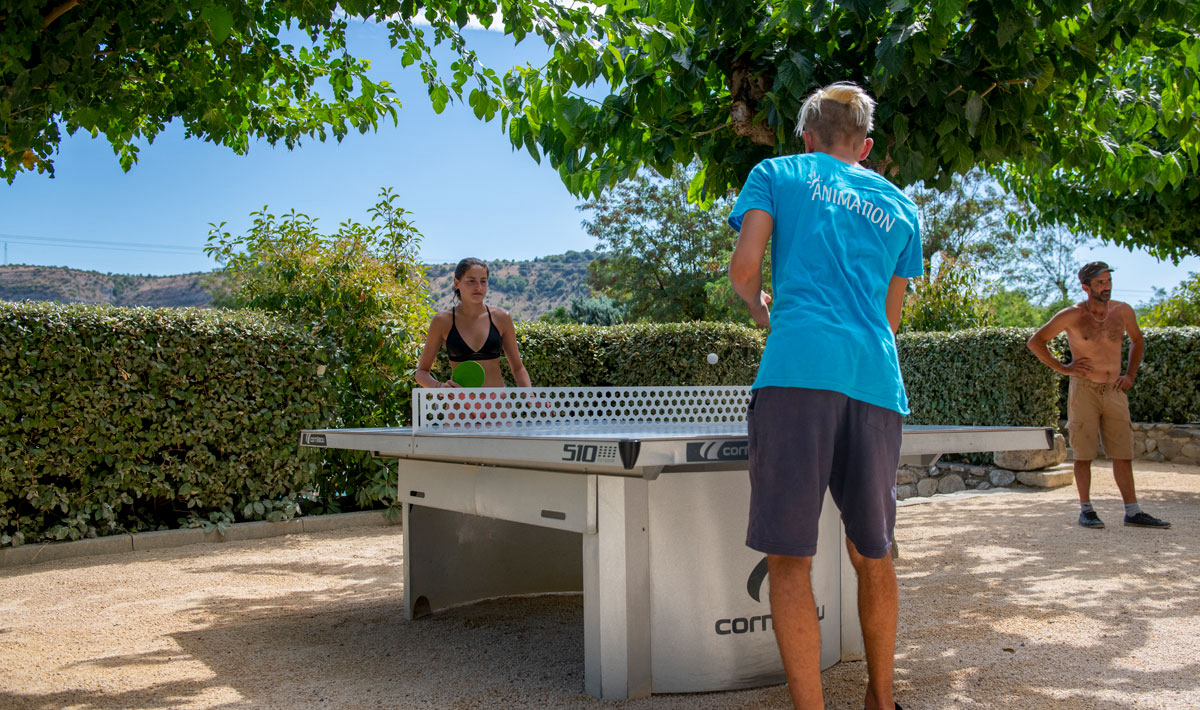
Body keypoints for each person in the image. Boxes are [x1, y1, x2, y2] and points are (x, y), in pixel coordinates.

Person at [728, 82, 922, 710]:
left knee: (790, 557)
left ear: (806, 135)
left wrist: (764, 313)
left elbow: (745, 268)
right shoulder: (900, 208)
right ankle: (881, 700)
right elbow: (891, 318)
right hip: (874, 380)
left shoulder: (776, 172)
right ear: (865, 145)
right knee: (874, 551)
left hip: (797, 372)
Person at [1026, 261, 1170, 530]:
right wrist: (1064, 368)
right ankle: (1087, 510)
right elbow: (1036, 341)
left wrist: (1130, 375)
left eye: (1108, 281)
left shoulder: (1122, 311)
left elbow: (1138, 340)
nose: (1107, 286)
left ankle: (1133, 511)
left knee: (1123, 452)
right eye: (1101, 282)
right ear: (1086, 287)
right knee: (1083, 454)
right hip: (1084, 390)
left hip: (1115, 390)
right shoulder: (1072, 315)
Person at [415, 257, 532, 389]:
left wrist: (531, 397)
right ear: (456, 283)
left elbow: (518, 368)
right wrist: (439, 387)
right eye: (471, 281)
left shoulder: (501, 317)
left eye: (483, 281)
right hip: (459, 405)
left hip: (497, 405)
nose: (478, 287)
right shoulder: (442, 321)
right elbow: (421, 373)